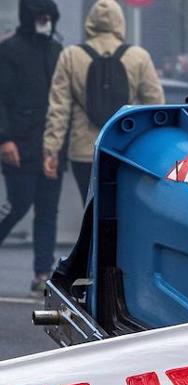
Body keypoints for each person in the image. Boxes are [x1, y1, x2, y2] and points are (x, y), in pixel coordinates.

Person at [42, 0, 163, 203]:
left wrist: (51, 150)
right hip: (125, 151)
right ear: (120, 22)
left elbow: (58, 110)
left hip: (84, 152)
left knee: (91, 210)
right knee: (122, 211)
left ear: (90, 22)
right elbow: (156, 108)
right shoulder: (139, 57)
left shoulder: (71, 56)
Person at [0, 0, 63, 295]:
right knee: (16, 205)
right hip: (20, 144)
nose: (46, 20)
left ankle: (42, 273)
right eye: (41, 15)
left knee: (47, 212)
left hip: (51, 146)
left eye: (49, 16)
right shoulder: (9, 50)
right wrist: (4, 139)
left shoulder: (57, 51)